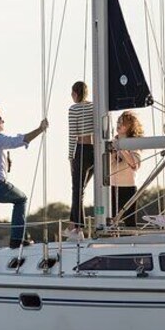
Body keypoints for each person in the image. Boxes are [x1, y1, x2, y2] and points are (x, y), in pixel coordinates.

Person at [0, 108, 48, 274]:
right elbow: (19, 140)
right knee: (21, 199)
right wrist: (40, 129)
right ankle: (16, 239)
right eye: (1, 119)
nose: (3, 122)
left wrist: (5, 165)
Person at [66, 81, 94, 239]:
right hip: (95, 150)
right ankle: (72, 225)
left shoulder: (74, 109)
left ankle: (78, 229)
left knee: (77, 190)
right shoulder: (93, 107)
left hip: (81, 151)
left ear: (75, 94)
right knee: (80, 190)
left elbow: (72, 135)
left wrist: (70, 156)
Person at [110, 110, 143, 227]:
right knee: (110, 222)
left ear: (129, 127)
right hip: (112, 188)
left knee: (130, 223)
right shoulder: (110, 143)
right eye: (118, 121)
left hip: (128, 189)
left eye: (123, 123)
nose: (119, 124)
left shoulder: (134, 144)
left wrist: (121, 148)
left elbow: (134, 164)